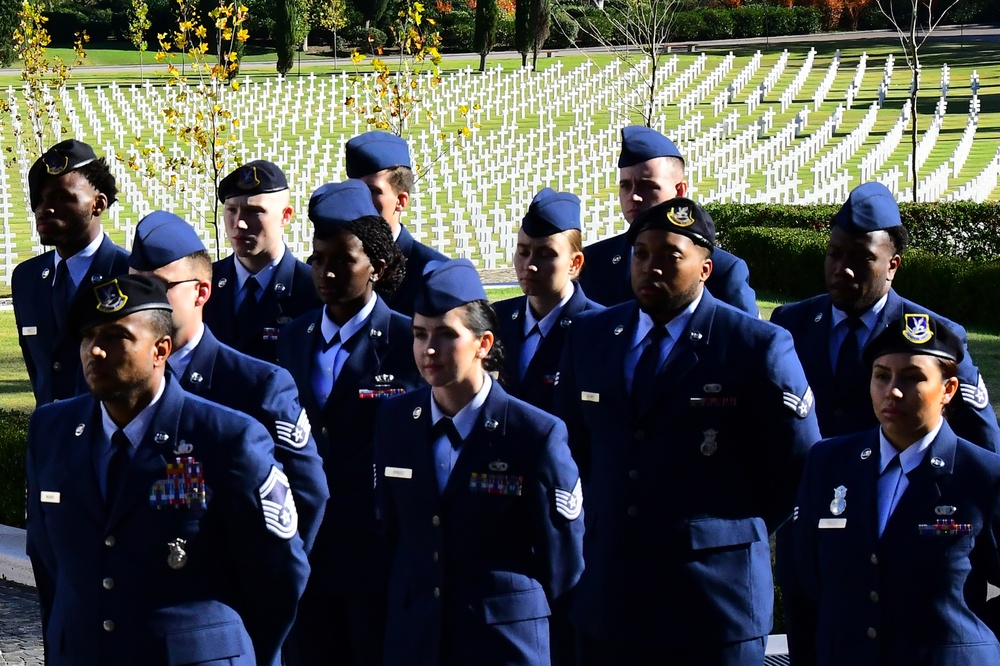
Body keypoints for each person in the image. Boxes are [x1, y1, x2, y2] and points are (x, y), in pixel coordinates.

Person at [555, 198, 820, 664]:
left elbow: (796, 465)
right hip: (611, 594)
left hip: (713, 599)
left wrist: (726, 530)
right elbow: (573, 450)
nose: (650, 267)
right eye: (641, 254)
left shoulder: (753, 345)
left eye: (669, 256)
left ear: (705, 267)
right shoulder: (591, 336)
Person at [25, 274, 309, 666]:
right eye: (89, 337)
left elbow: (279, 571)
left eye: (116, 337)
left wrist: (238, 652)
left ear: (161, 349)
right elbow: (48, 555)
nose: (96, 352)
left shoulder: (227, 438)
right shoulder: (51, 429)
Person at [374, 259, 585, 665]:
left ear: (483, 344)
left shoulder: (534, 434)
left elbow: (563, 565)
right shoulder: (396, 420)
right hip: (418, 641)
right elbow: (395, 532)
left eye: (446, 335)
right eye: (419, 335)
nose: (428, 350)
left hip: (503, 645)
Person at [789, 311, 1000, 665]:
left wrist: (972, 648)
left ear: (948, 389)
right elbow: (808, 583)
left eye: (912, 378)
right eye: (881, 376)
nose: (893, 391)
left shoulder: (983, 476)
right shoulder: (829, 463)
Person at [277, 180, 423, 666]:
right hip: (307, 547)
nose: (326, 272)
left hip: (376, 550)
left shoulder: (406, 342)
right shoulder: (294, 338)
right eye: (318, 259)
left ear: (376, 267)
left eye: (343, 260)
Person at [127, 210, 329, 553]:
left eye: (159, 288)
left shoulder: (258, 386)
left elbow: (305, 498)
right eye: (135, 286)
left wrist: (264, 597)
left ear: (201, 292)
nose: (144, 302)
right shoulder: (115, 378)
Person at [770, 181, 1000, 452]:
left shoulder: (934, 336)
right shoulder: (791, 323)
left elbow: (984, 446)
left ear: (892, 265)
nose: (843, 269)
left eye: (861, 258)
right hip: (805, 487)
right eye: (835, 254)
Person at [577, 125, 758, 316]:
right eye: (625, 186)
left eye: (648, 186)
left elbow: (747, 338)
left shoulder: (723, 271)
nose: (634, 196)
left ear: (679, 191)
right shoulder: (594, 262)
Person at [13, 139, 129, 405]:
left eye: (61, 198)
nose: (44, 209)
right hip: (51, 439)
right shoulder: (26, 279)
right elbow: (40, 373)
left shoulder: (129, 274)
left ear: (97, 204)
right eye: (39, 200)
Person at [492, 188, 603, 414]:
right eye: (522, 252)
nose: (530, 265)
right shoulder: (496, 320)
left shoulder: (599, 328)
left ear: (575, 263)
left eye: (545, 255)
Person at [202, 159, 320, 363]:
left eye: (254, 212)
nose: (239, 223)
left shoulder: (313, 290)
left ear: (286, 216)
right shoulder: (203, 286)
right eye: (231, 210)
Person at [345, 130, 448, 316]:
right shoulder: (326, 266)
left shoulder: (433, 273)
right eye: (354, 189)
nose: (358, 199)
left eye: (372, 191)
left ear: (401, 201)